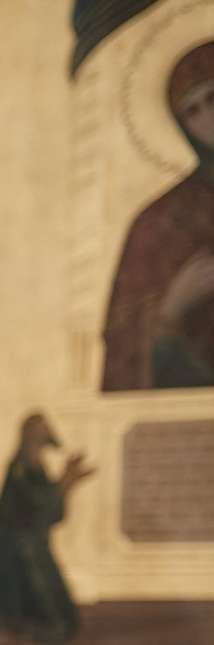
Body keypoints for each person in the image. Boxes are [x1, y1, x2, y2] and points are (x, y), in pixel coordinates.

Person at [101, 40, 214, 391]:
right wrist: (170, 312)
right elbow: (122, 350)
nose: (207, 118)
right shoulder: (156, 221)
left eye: (213, 99)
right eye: (191, 110)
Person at [0, 412, 89, 645]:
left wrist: (66, 484)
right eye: (39, 428)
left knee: (61, 613)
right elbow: (29, 503)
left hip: (32, 542)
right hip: (14, 544)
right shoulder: (19, 467)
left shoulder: (37, 466)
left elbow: (49, 511)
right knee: (48, 605)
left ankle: (36, 626)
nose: (45, 431)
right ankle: (16, 627)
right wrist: (64, 482)